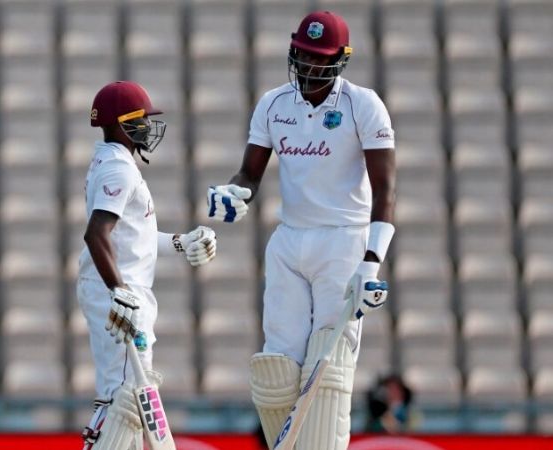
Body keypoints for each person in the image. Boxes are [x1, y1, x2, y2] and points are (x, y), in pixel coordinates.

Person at [206, 11, 396, 450]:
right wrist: (235, 193)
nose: (309, 68)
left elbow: (385, 189)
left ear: (341, 60)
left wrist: (371, 261)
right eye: (303, 56)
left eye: (320, 59)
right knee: (276, 368)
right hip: (290, 240)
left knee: (327, 371)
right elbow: (249, 174)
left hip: (344, 241)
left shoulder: (363, 105)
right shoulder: (274, 104)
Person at [78, 80, 217, 449]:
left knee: (128, 393)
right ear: (121, 123)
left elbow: (131, 236)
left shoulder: (113, 163)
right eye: (141, 119)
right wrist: (119, 292)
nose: (148, 126)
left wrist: (179, 242)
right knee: (126, 395)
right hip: (119, 289)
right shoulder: (118, 170)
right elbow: (96, 235)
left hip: (119, 286)